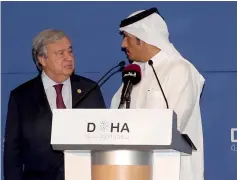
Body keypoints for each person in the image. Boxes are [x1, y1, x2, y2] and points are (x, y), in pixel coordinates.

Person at [111, 7, 205, 180]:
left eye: (127, 37)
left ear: (142, 39)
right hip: (131, 169)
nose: (123, 44)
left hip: (171, 171)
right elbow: (114, 118)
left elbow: (174, 126)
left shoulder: (180, 70)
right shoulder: (133, 73)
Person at [4, 29, 106, 180]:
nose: (69, 58)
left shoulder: (90, 89)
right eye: (60, 53)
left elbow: (103, 142)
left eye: (70, 52)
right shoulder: (21, 97)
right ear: (42, 59)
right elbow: (12, 153)